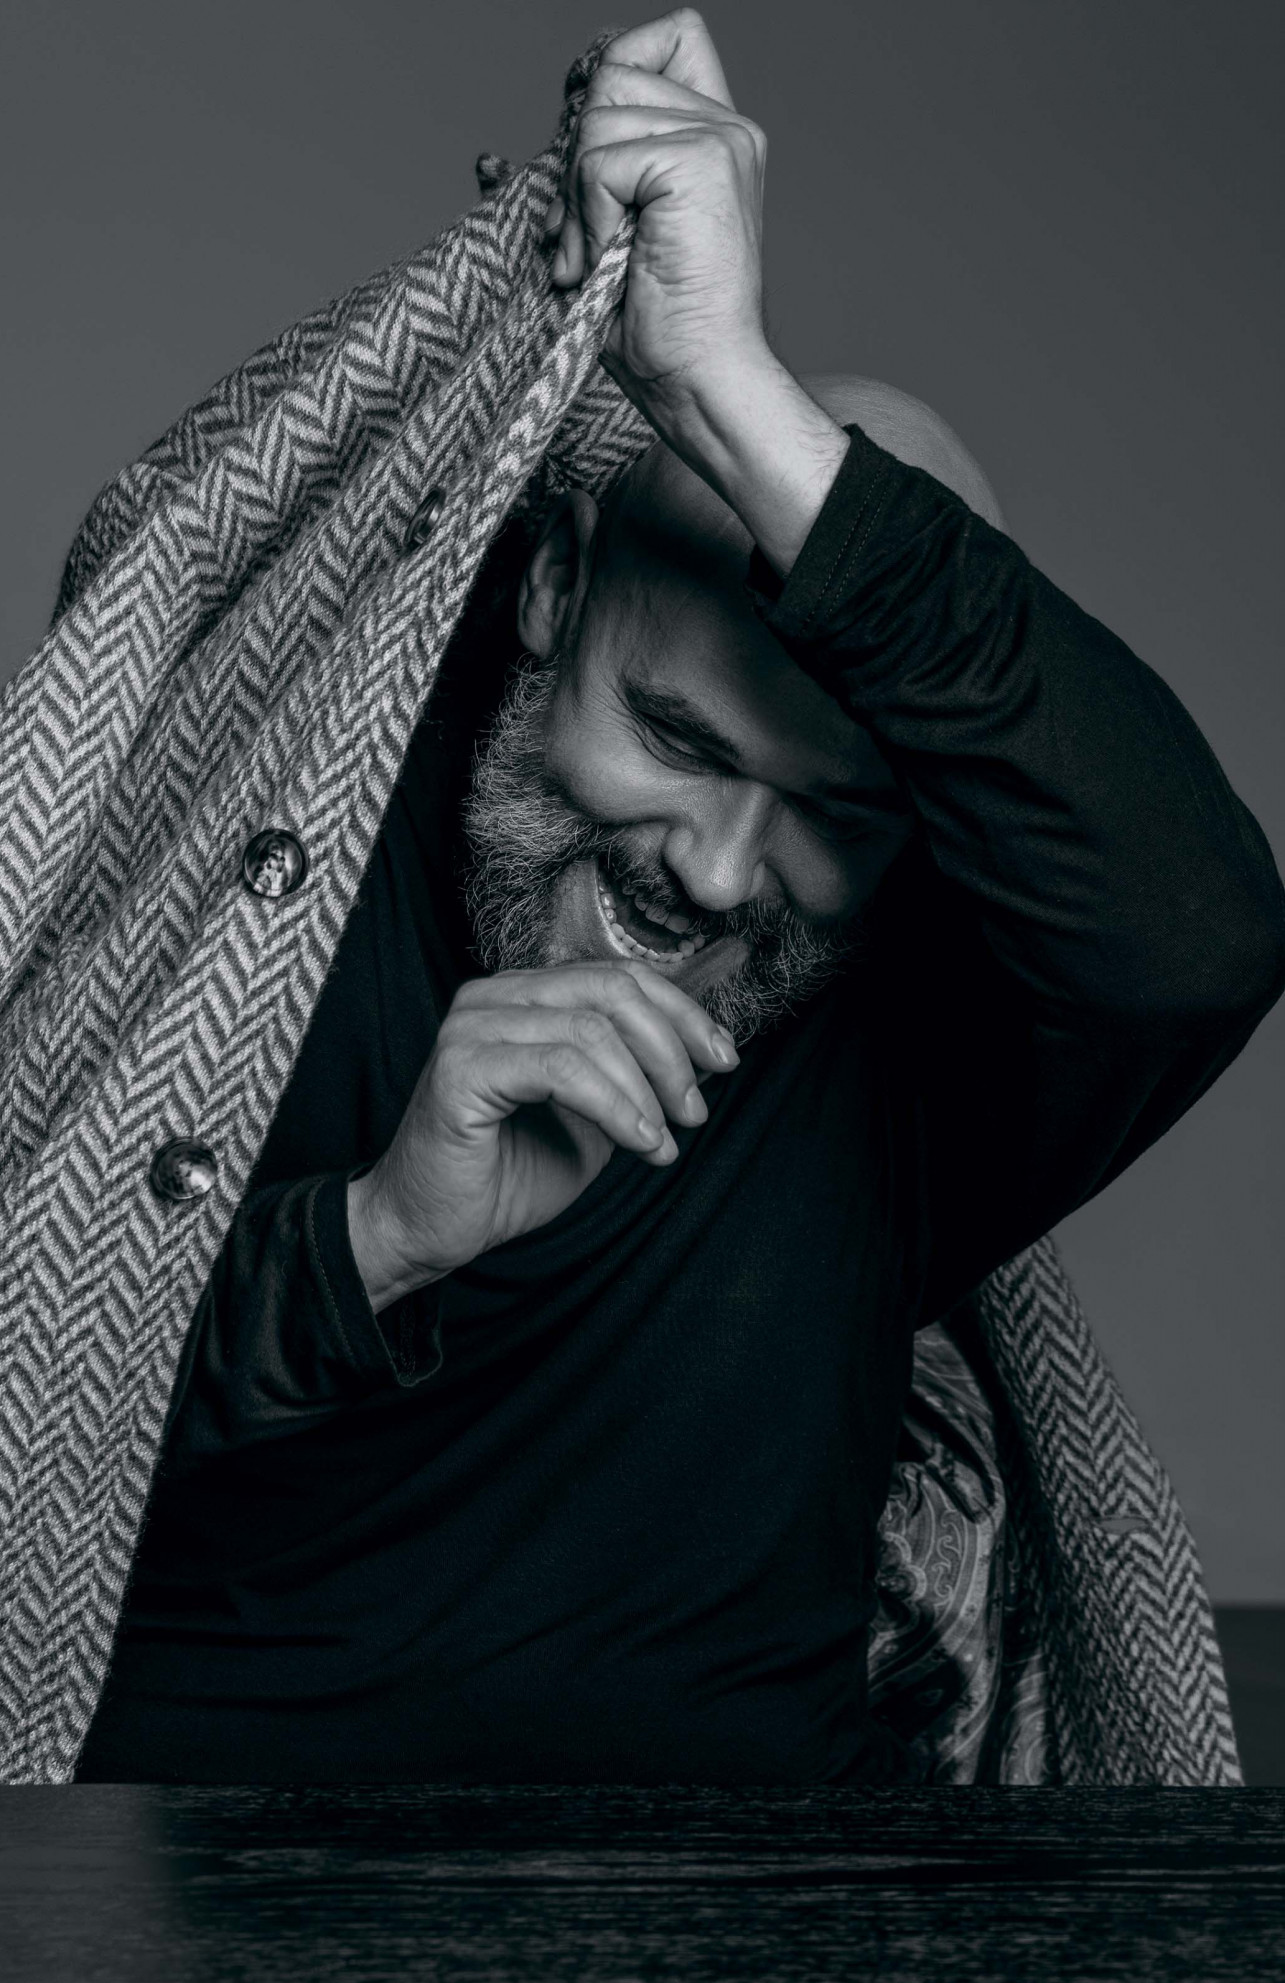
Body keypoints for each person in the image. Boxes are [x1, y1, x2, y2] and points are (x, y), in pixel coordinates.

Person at [75, 11, 1285, 1785]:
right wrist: (375, 1239)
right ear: (551, 591)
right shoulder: (254, 869)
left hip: (756, 1898)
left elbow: (1201, 933)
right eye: (672, 736)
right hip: (205, 1874)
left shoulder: (908, 1040)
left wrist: (720, 384)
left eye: (833, 813)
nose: (715, 872)